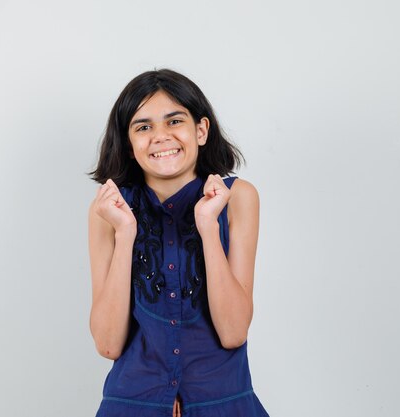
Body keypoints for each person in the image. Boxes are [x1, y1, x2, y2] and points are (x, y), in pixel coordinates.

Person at [87, 69, 269, 417]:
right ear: (128, 144)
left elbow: (233, 332)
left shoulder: (238, 198)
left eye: (174, 121)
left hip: (225, 406)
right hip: (132, 406)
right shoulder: (106, 211)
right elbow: (108, 343)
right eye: (143, 127)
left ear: (201, 130)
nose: (160, 137)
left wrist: (208, 227)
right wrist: (125, 235)